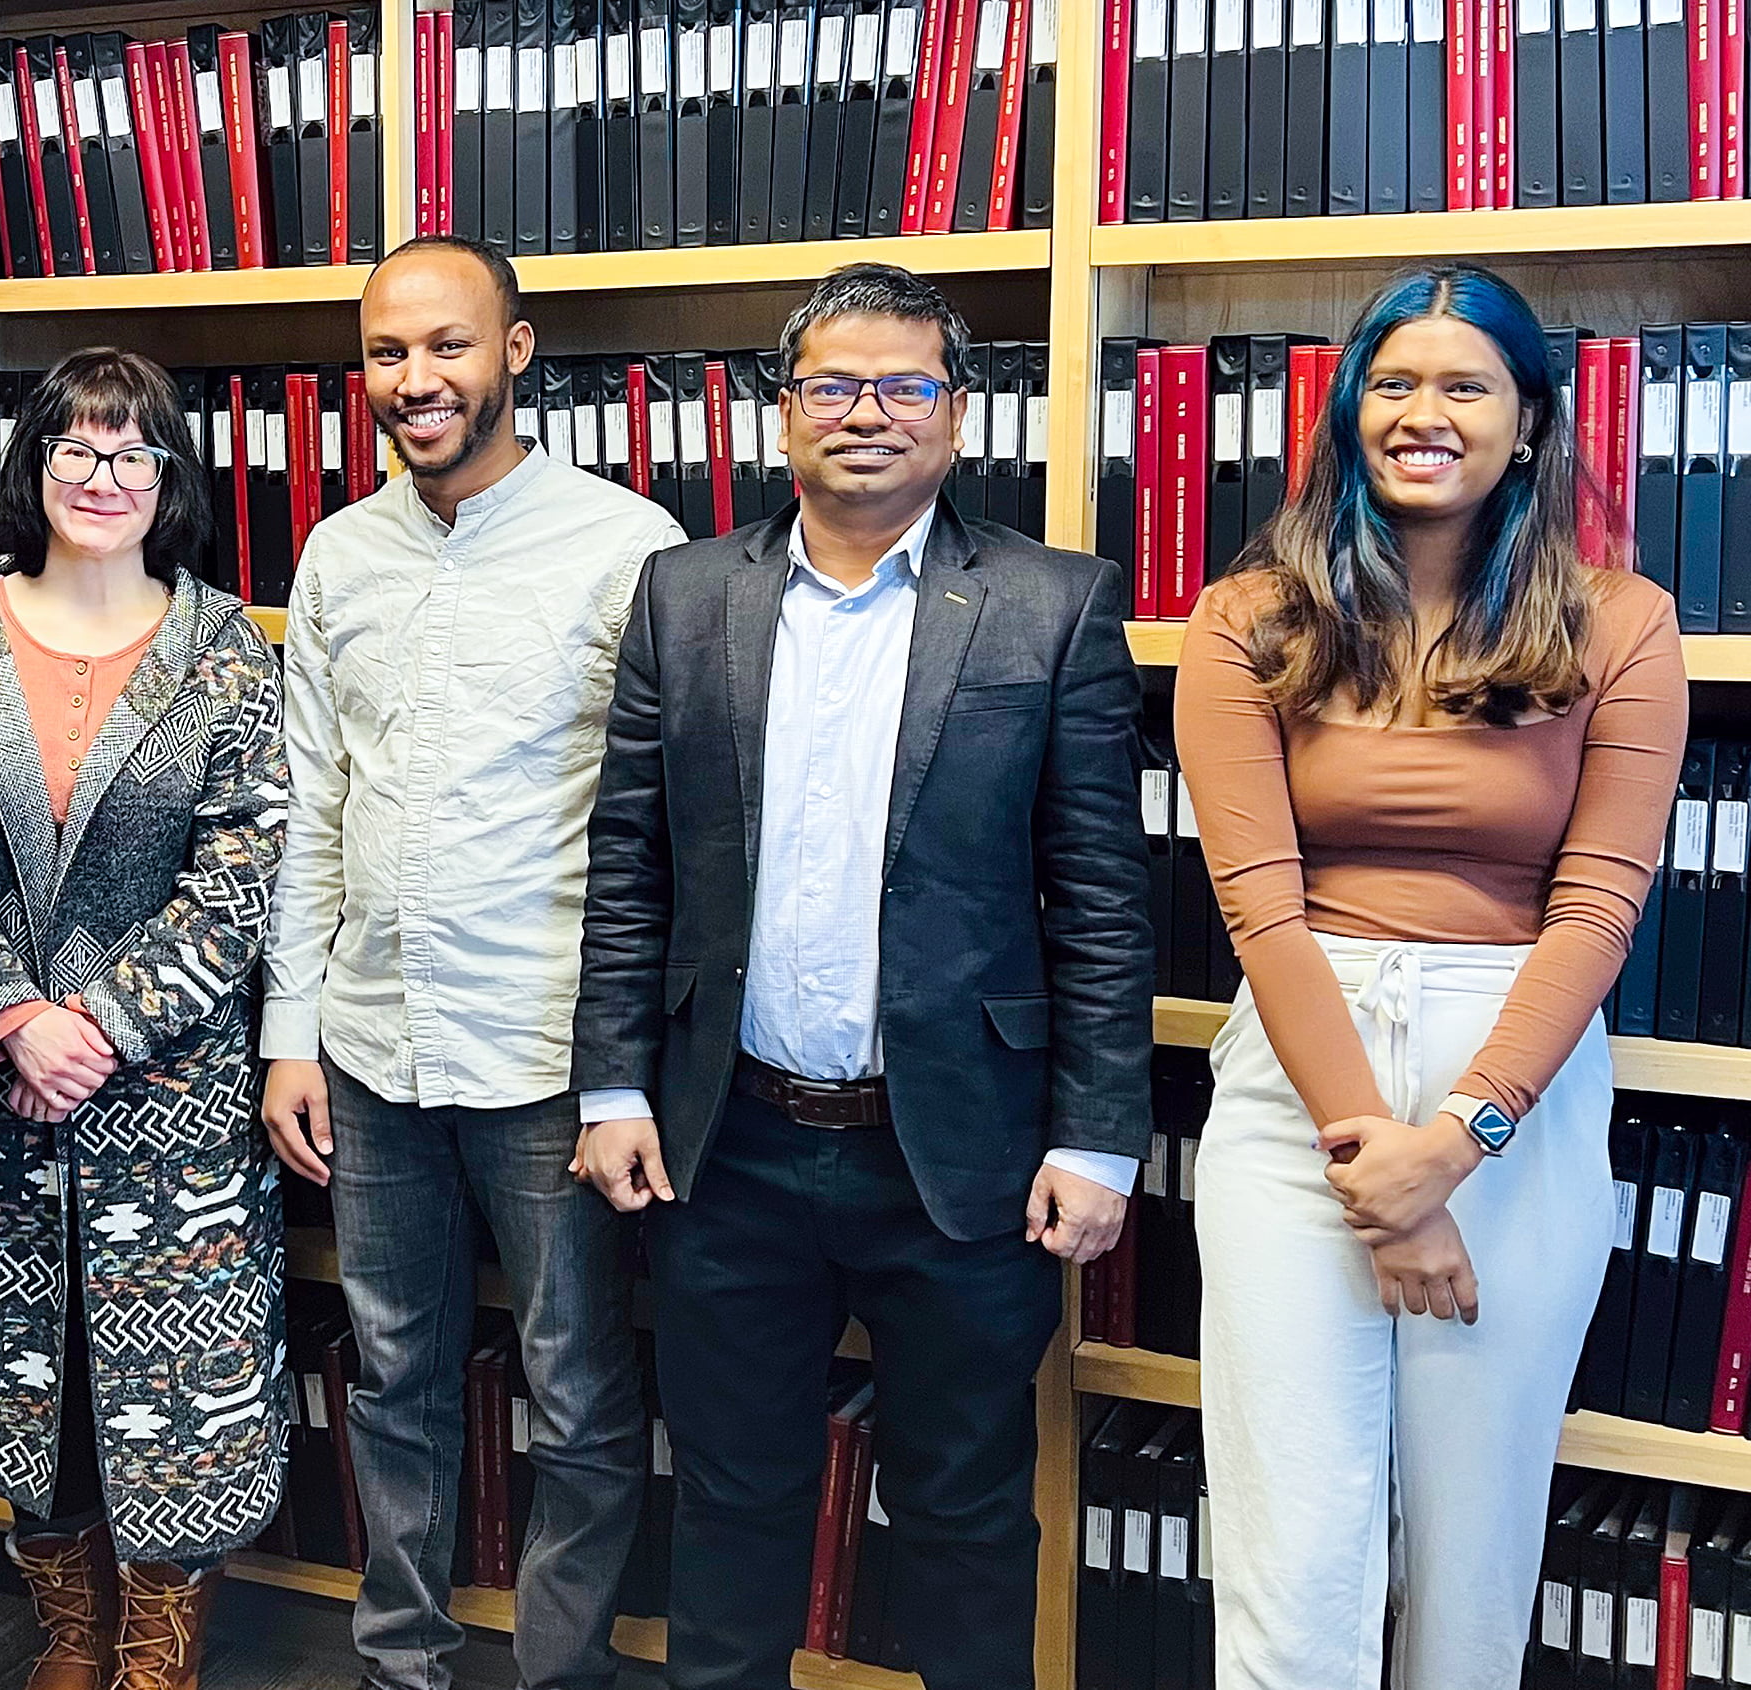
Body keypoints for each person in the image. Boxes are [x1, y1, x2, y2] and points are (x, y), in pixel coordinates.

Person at [571, 261, 1151, 1689]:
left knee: (960, 1515)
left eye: (906, 386)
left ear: (958, 417)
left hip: (959, 1153)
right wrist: (612, 1082)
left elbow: (1101, 898)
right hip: (732, 1144)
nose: (869, 413)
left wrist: (1096, 1134)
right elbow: (629, 860)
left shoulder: (1048, 606)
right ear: (784, 414)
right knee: (732, 1501)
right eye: (834, 384)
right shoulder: (684, 594)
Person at [1176, 265, 1684, 1689]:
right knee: (1295, 1551)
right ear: (1351, 413)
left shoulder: (1619, 623)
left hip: (1511, 1090)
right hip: (1299, 1089)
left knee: (1473, 1555)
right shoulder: (1250, 619)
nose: (1424, 412)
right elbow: (1260, 911)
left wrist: (1456, 1145)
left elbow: (1597, 905)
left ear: (1526, 422)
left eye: (1465, 385)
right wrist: (1376, 1169)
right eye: (1393, 382)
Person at [263, 237, 688, 1690]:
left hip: (547, 1054)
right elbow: (311, 804)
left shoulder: (629, 544)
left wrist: (624, 1066)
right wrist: (290, 1029)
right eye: (387, 352)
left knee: (576, 1387)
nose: (414, 379)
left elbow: (656, 829)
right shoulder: (338, 552)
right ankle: (401, 1659)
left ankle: (561, 1670)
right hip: (372, 1047)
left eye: (447, 345)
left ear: (516, 348)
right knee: (394, 1380)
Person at [0, 347, 291, 1690]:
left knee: (167, 1386)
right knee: (31, 1372)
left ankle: (158, 1641)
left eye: (134, 452)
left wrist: (105, 1022)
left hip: (171, 1099)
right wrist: (12, 1012)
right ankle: (70, 1625)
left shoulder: (226, 645)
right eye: (77, 447)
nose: (104, 477)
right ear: (35, 464)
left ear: (169, 477)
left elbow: (246, 871)